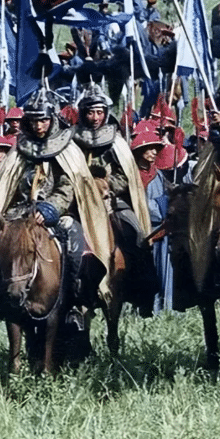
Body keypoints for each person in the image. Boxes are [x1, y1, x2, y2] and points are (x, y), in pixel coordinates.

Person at [0, 88, 113, 351]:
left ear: (51, 119)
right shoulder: (19, 149)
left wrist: (51, 208)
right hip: (21, 212)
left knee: (77, 243)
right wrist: (16, 210)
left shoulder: (66, 148)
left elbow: (69, 184)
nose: (39, 126)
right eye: (34, 120)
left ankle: (75, 296)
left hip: (57, 214)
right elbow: (8, 185)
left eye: (43, 120)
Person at [72, 83, 157, 315]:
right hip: (77, 201)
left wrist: (106, 186)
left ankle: (143, 291)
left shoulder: (115, 140)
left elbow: (124, 175)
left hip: (111, 200)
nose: (95, 117)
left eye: (99, 112)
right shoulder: (71, 140)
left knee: (136, 233)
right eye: (90, 112)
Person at [131, 131, 173, 314]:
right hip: (140, 230)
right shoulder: (132, 175)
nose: (154, 152)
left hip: (160, 230)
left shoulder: (159, 175)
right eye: (149, 149)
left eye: (156, 149)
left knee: (163, 270)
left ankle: (164, 308)